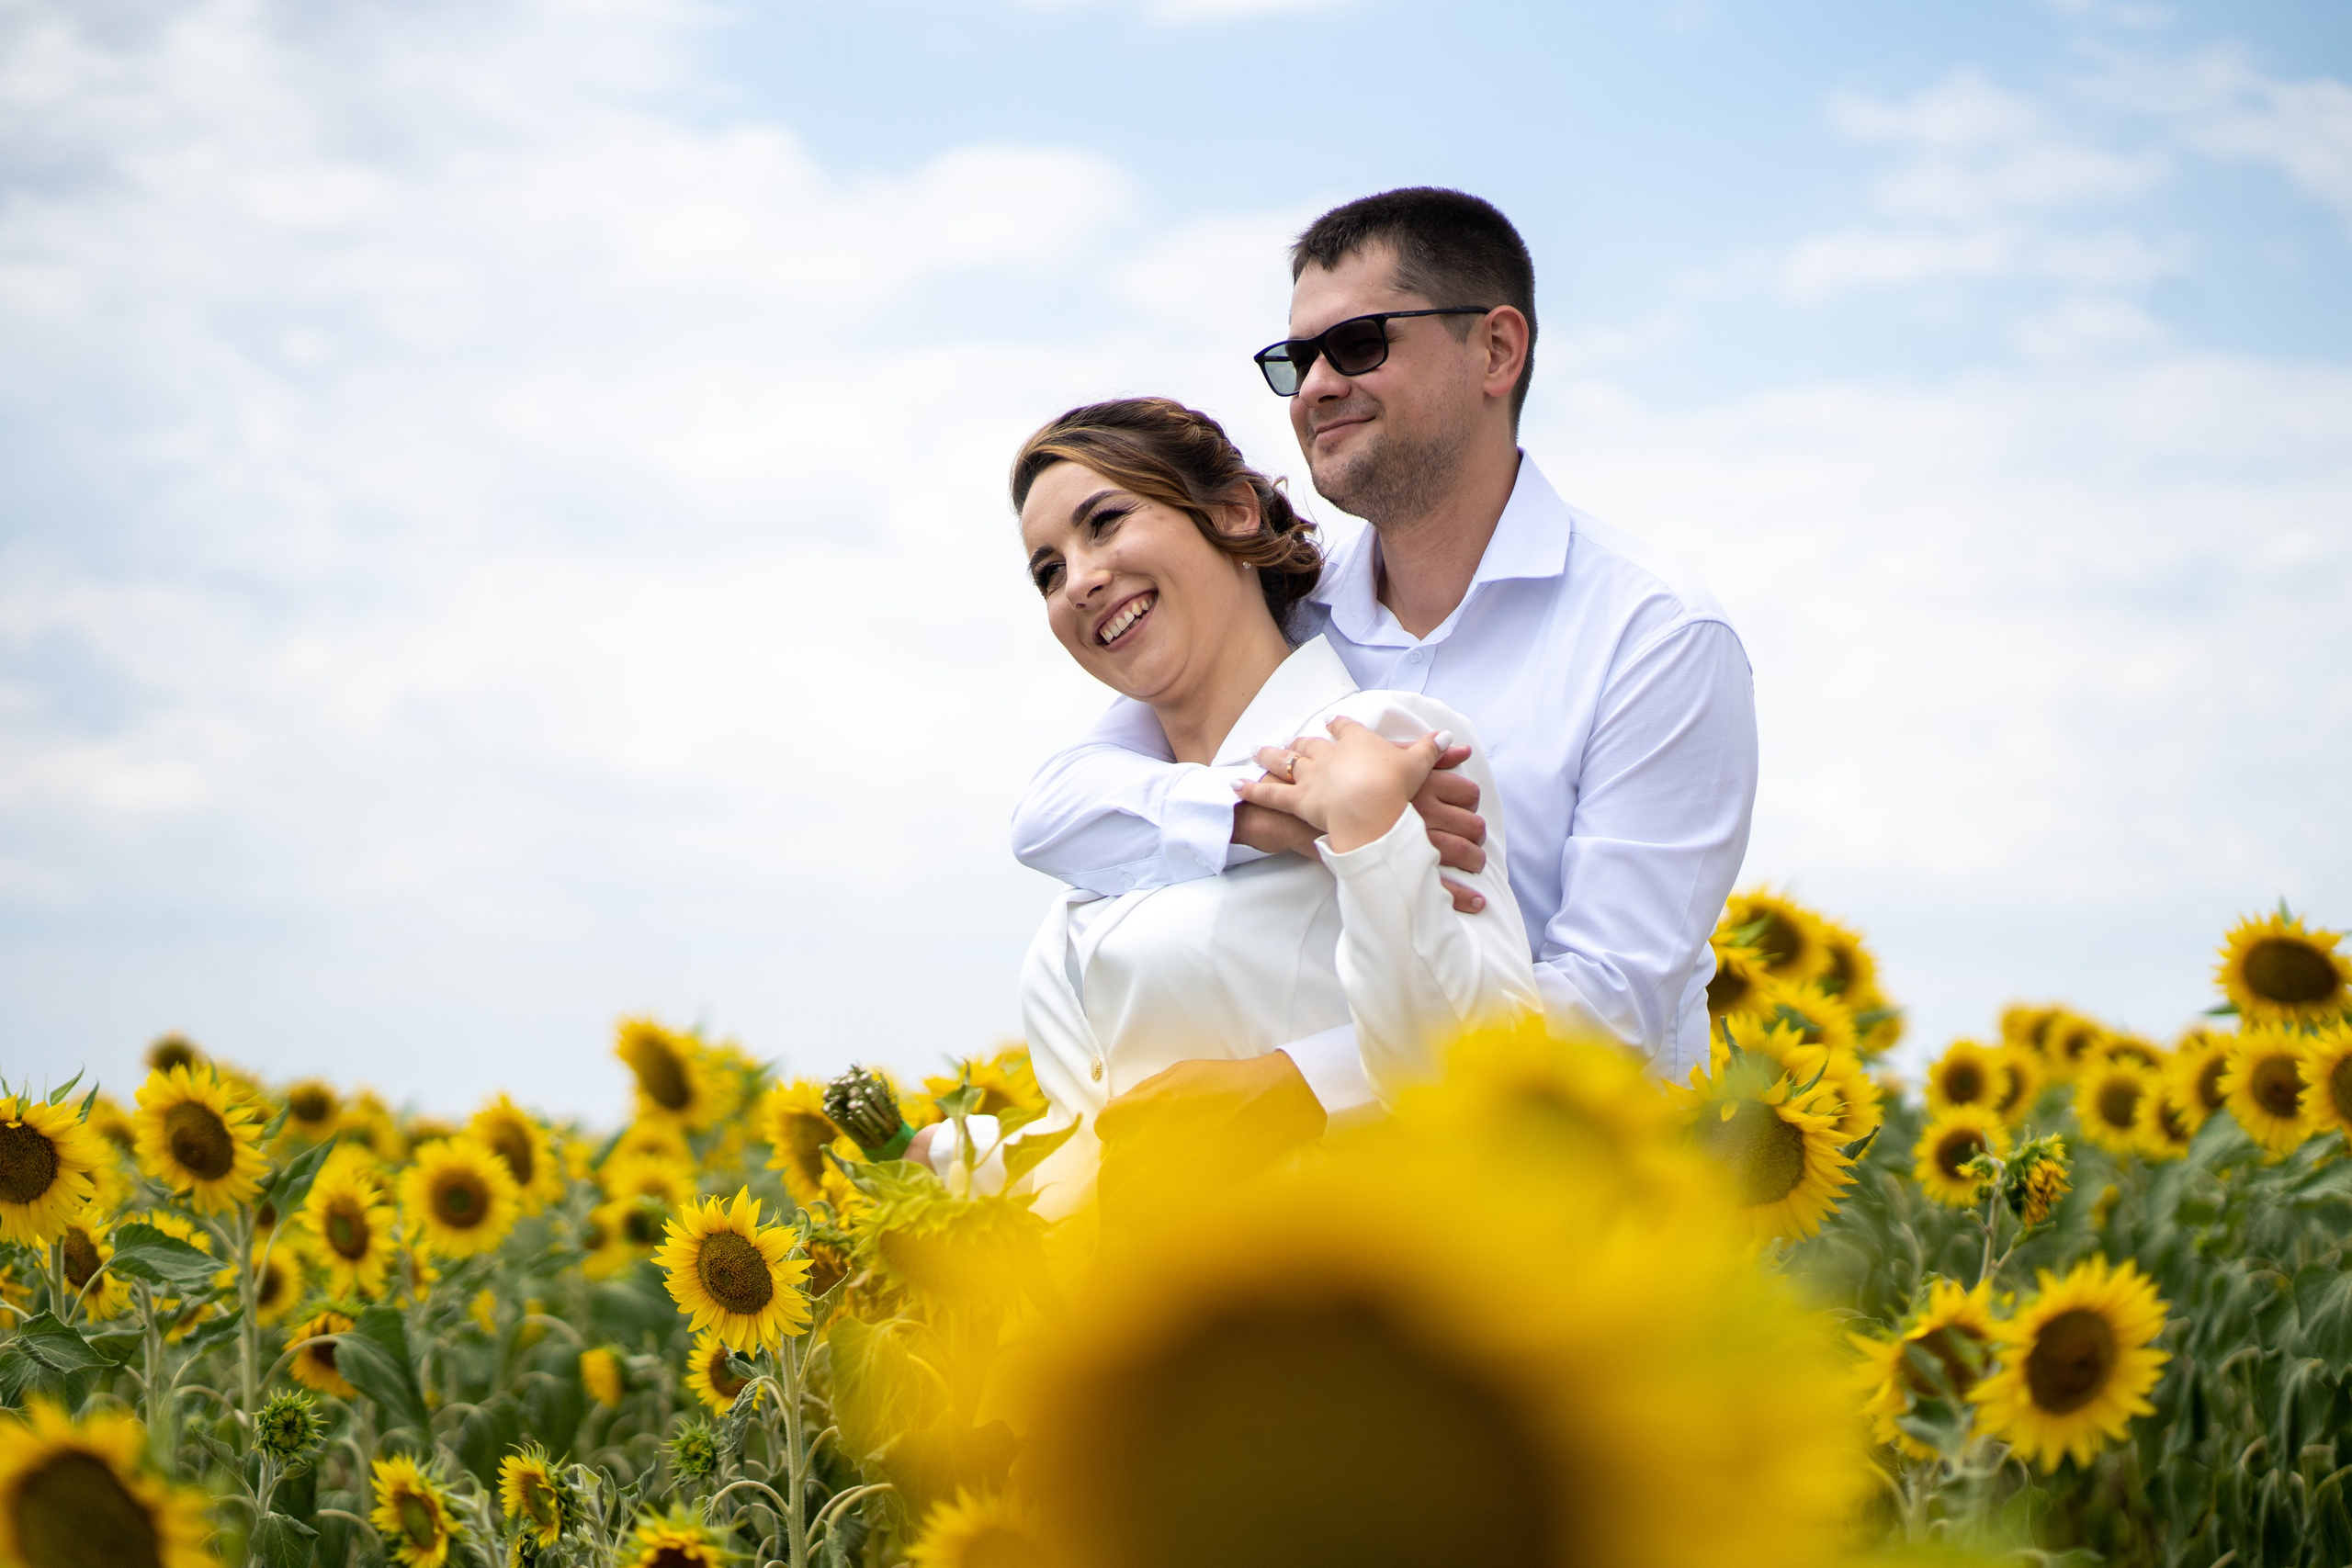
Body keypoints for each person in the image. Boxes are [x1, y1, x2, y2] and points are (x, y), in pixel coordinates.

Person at [1011, 187, 1758, 1146]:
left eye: (1358, 344)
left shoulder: (1654, 637)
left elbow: (1609, 1005)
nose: (1315, 384)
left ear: (1495, 350)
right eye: (1296, 360)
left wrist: (1298, 1083)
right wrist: (1276, 816)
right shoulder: (1285, 613)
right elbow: (1061, 808)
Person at [909, 397, 1540, 1214]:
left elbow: (1491, 1063)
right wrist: (972, 1159)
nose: (1081, 580)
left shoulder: (1388, 745)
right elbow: (1134, 1121)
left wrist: (1371, 835)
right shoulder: (1113, 811)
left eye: (1105, 522)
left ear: (1233, 512)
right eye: (1049, 571)